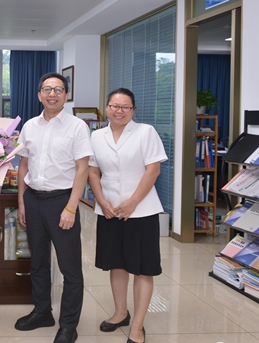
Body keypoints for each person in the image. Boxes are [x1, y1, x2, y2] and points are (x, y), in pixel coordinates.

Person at [14, 72, 93, 343]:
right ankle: (42, 312)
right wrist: (22, 201)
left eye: (58, 90)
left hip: (62, 201)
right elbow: (24, 165)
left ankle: (69, 325)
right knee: (38, 262)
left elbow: (82, 168)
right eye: (47, 89)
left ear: (66, 96)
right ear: (39, 95)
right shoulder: (30, 126)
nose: (52, 94)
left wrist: (71, 208)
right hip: (34, 201)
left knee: (70, 268)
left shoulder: (77, 127)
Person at [87, 87, 167, 343]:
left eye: (125, 107)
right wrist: (101, 200)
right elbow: (93, 171)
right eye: (114, 106)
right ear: (107, 108)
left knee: (142, 268)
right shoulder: (97, 135)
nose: (119, 111)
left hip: (141, 211)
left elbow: (153, 170)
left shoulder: (145, 132)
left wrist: (133, 202)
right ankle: (120, 313)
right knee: (117, 263)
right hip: (109, 210)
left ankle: (137, 327)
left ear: (133, 110)